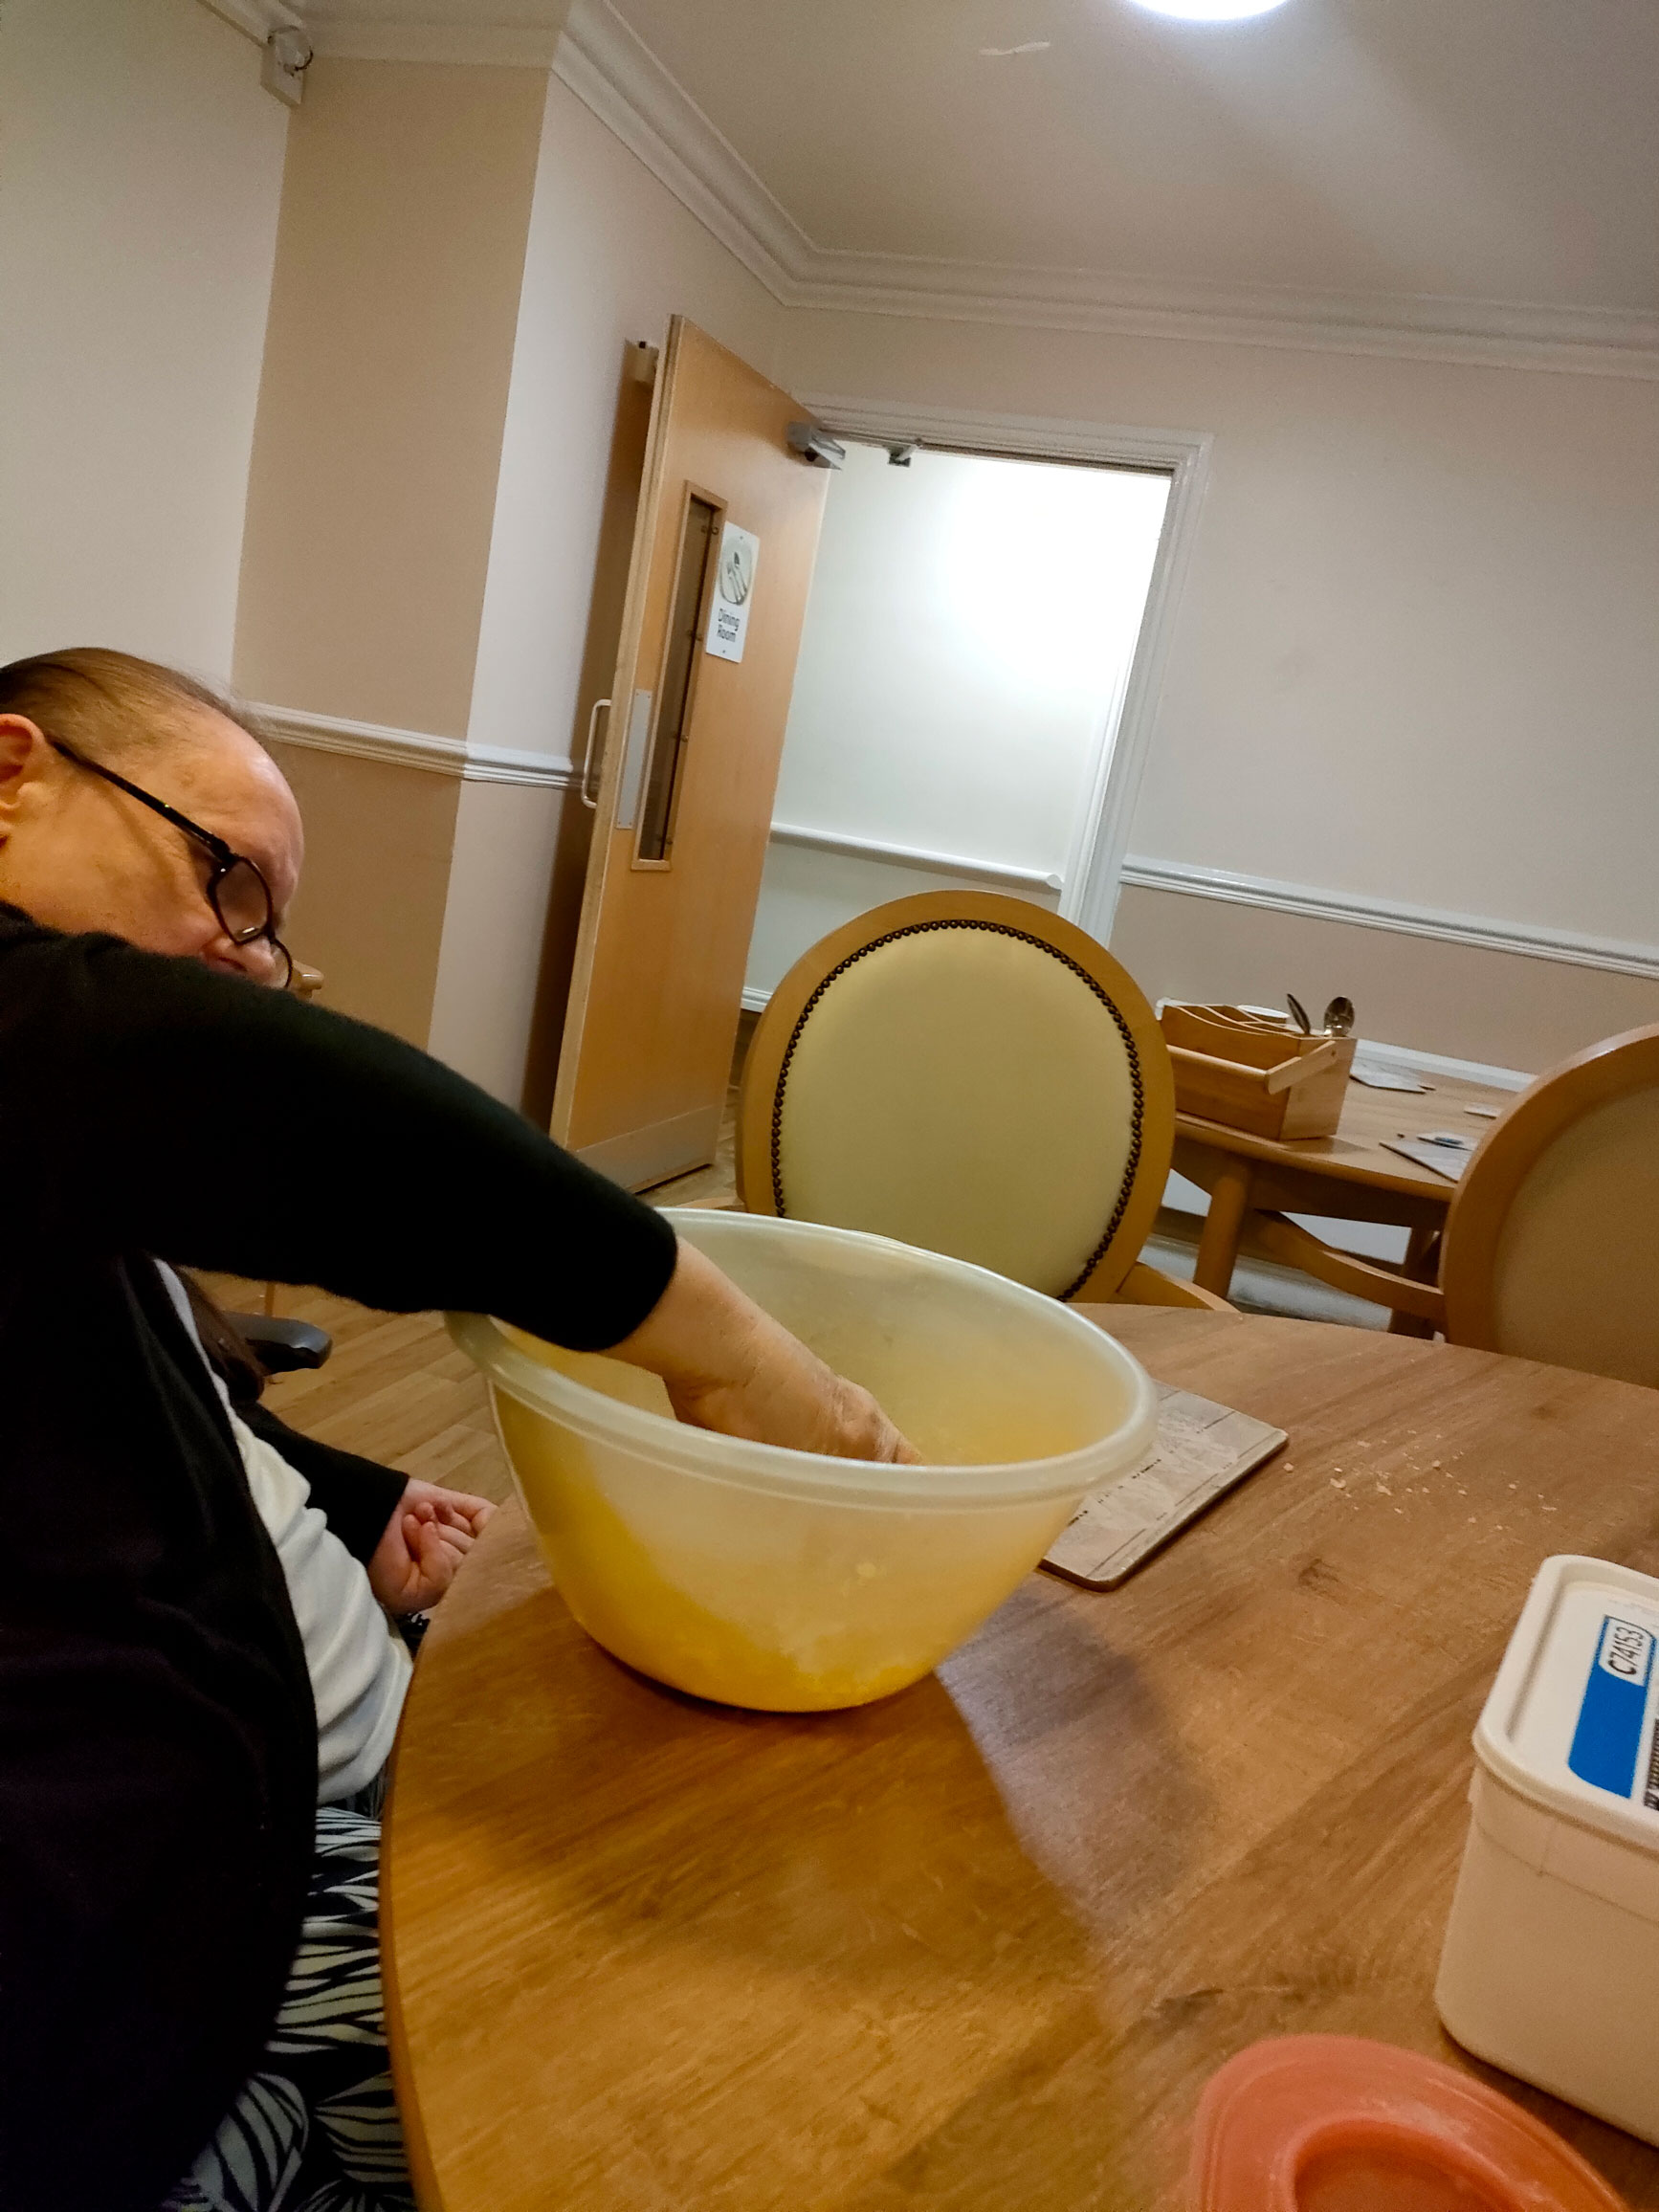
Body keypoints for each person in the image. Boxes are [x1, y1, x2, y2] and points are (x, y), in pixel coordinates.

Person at [0, 648, 912, 2212]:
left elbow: (122, 1408)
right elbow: (254, 1097)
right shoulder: (48, 1062)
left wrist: (357, 1507)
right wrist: (742, 1357)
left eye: (268, 929)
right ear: (11, 775)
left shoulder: (54, 1183)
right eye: (224, 879)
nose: (245, 962)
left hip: (298, 1802)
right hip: (150, 2003)